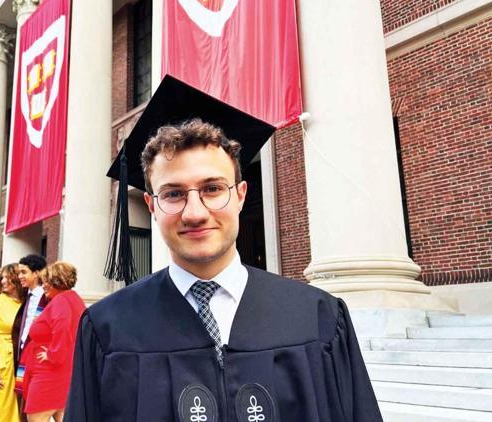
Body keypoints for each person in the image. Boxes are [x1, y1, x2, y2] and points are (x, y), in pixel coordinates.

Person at [65, 76, 382, 421]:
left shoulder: (318, 318)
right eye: (173, 194)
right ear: (152, 205)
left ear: (241, 194)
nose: (195, 213)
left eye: (213, 188)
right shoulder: (108, 328)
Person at [22, 262, 85, 422]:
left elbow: (63, 327)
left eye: (46, 282)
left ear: (57, 282)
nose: (43, 286)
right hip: (59, 372)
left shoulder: (61, 301)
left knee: (36, 418)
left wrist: (53, 354)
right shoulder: (73, 299)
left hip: (48, 374)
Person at [0, 263, 25, 422]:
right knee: (1, 410)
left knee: (20, 408)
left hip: (21, 360)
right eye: (2, 277)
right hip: (1, 360)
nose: (3, 281)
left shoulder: (26, 302)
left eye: (8, 277)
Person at [12, 254, 50, 418]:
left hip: (38, 359)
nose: (20, 276)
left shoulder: (47, 298)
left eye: (24, 272)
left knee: (34, 407)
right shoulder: (27, 297)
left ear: (36, 273)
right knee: (22, 399)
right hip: (23, 356)